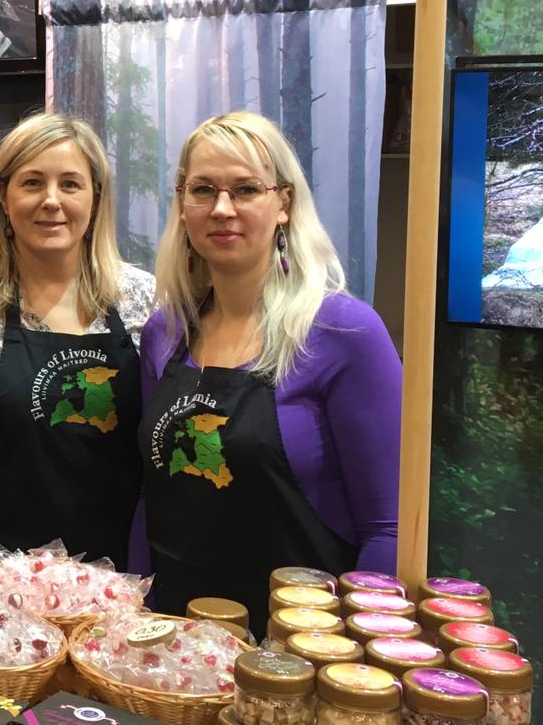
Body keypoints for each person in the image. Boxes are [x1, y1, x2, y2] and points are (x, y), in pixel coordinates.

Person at [135, 111, 400, 636]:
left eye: (246, 189)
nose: (222, 208)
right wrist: (138, 614)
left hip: (301, 647)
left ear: (284, 204)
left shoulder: (345, 333)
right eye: (203, 190)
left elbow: (386, 529)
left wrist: (347, 652)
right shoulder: (164, 333)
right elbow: (151, 496)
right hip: (178, 642)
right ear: (182, 206)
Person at [0, 113, 155, 580]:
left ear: (95, 198)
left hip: (121, 580)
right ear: (4, 197)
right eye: (32, 182)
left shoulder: (146, 301)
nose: (51, 200)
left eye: (70, 184)